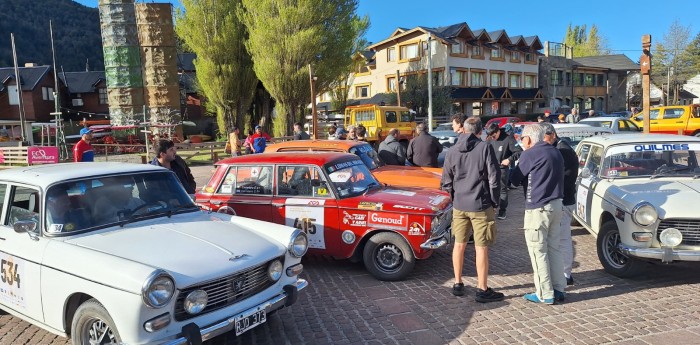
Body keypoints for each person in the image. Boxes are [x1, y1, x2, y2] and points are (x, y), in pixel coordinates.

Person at [441, 117, 503, 302]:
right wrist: (495, 201)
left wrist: (455, 198)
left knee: (459, 244)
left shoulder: (451, 151)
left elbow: (446, 181)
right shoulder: (485, 147)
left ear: (465, 130)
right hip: (480, 204)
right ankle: (482, 289)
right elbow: (494, 177)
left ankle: (458, 283)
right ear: (479, 131)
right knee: (481, 247)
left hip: (460, 204)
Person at [510, 124, 566, 304]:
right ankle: (558, 287)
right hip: (556, 204)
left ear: (528, 139)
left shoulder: (530, 153)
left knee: (538, 251)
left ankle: (544, 292)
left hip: (538, 206)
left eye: (522, 138)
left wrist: (508, 168)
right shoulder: (555, 151)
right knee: (554, 248)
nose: (521, 142)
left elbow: (515, 178)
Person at [540, 122, 579, 286]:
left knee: (562, 238)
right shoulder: (558, 148)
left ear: (552, 135)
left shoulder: (562, 150)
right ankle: (561, 272)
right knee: (557, 238)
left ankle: (565, 273)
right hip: (561, 199)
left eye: (544, 139)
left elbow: (564, 177)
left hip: (563, 199)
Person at [484, 122, 522, 220]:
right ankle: (491, 209)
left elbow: (519, 151)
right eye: (490, 136)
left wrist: (509, 159)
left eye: (494, 136)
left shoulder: (508, 138)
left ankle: (502, 210)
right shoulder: (489, 139)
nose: (493, 138)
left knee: (502, 190)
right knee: (488, 189)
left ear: (498, 132)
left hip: (501, 169)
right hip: (489, 168)